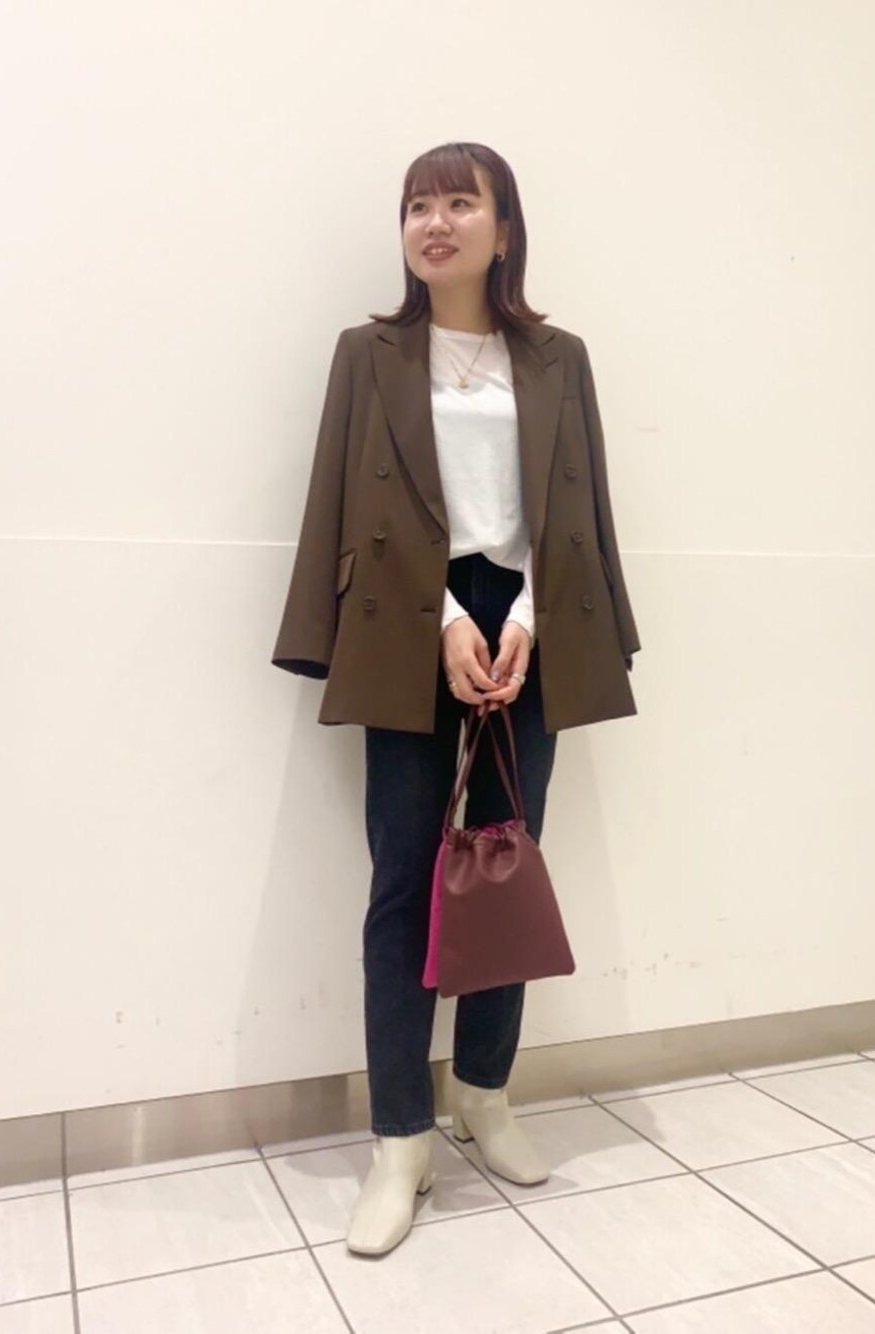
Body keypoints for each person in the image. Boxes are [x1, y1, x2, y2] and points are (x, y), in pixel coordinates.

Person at [271, 141, 640, 1255]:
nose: (434, 223)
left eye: (459, 203)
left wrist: (526, 616)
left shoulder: (559, 358)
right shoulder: (370, 353)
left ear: (503, 227)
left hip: (528, 615)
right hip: (406, 618)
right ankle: (400, 1141)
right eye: (417, 206)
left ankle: (484, 1092)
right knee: (402, 881)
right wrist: (442, 620)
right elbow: (344, 499)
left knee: (507, 864)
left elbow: (576, 508)